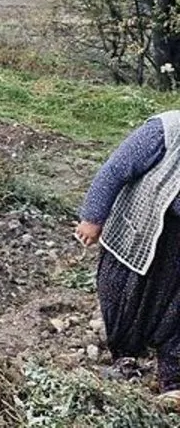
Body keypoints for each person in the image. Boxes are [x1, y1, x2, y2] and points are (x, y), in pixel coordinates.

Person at [76, 111, 180, 406]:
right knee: (121, 294)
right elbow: (115, 170)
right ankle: (125, 359)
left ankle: (173, 381)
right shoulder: (166, 130)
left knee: (176, 309)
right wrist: (93, 217)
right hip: (138, 230)